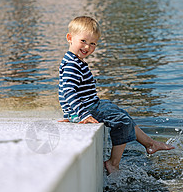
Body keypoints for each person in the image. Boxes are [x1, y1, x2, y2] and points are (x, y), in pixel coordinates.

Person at [58, 16, 175, 174]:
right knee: (121, 121)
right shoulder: (72, 64)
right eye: (83, 41)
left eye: (93, 43)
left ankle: (149, 144)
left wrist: (69, 111)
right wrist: (80, 114)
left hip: (91, 105)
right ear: (70, 38)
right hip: (86, 110)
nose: (87, 46)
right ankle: (113, 163)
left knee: (121, 113)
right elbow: (68, 91)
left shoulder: (75, 60)